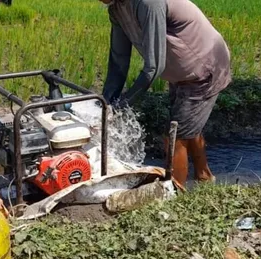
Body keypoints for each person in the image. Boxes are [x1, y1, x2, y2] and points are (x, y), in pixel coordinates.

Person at [99, 0, 231, 187]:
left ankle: (174, 194)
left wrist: (124, 104)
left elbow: (154, 67)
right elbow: (119, 61)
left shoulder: (149, 3)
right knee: (188, 126)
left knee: (175, 136)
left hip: (205, 66)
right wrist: (106, 102)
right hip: (181, 74)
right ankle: (204, 177)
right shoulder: (116, 9)